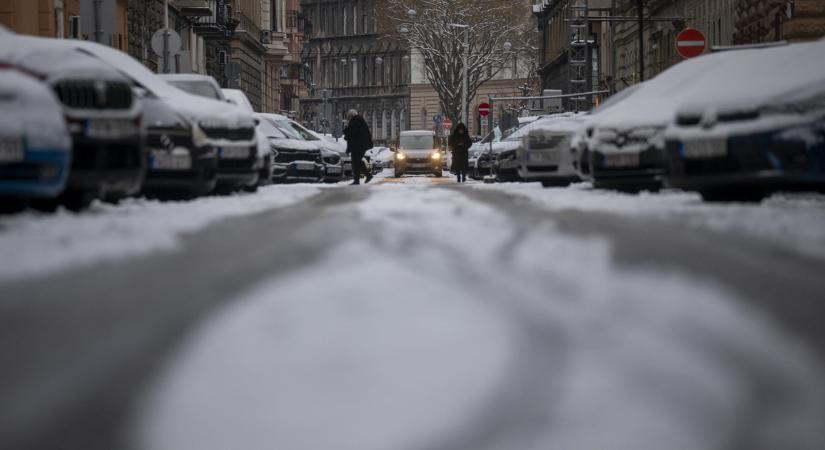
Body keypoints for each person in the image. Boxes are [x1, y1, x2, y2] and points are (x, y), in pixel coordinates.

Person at [343, 109, 374, 185]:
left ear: (350, 116)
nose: (348, 119)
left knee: (355, 163)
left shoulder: (355, 122)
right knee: (358, 162)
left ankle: (357, 180)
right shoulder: (360, 121)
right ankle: (368, 175)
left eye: (348, 117)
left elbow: (351, 134)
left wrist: (346, 130)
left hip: (358, 146)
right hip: (361, 146)